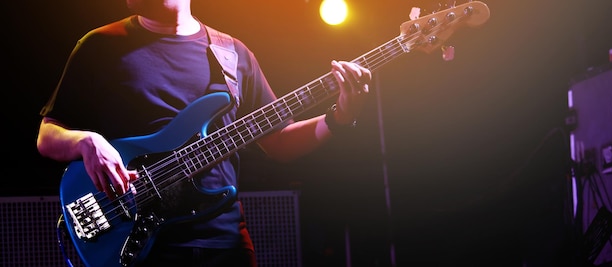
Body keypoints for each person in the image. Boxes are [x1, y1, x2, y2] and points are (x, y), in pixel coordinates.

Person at [36, 0, 371, 266]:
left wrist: (340, 117)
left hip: (222, 242)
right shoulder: (100, 46)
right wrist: (86, 141)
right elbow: (48, 136)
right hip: (139, 242)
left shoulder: (232, 54)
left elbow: (279, 142)